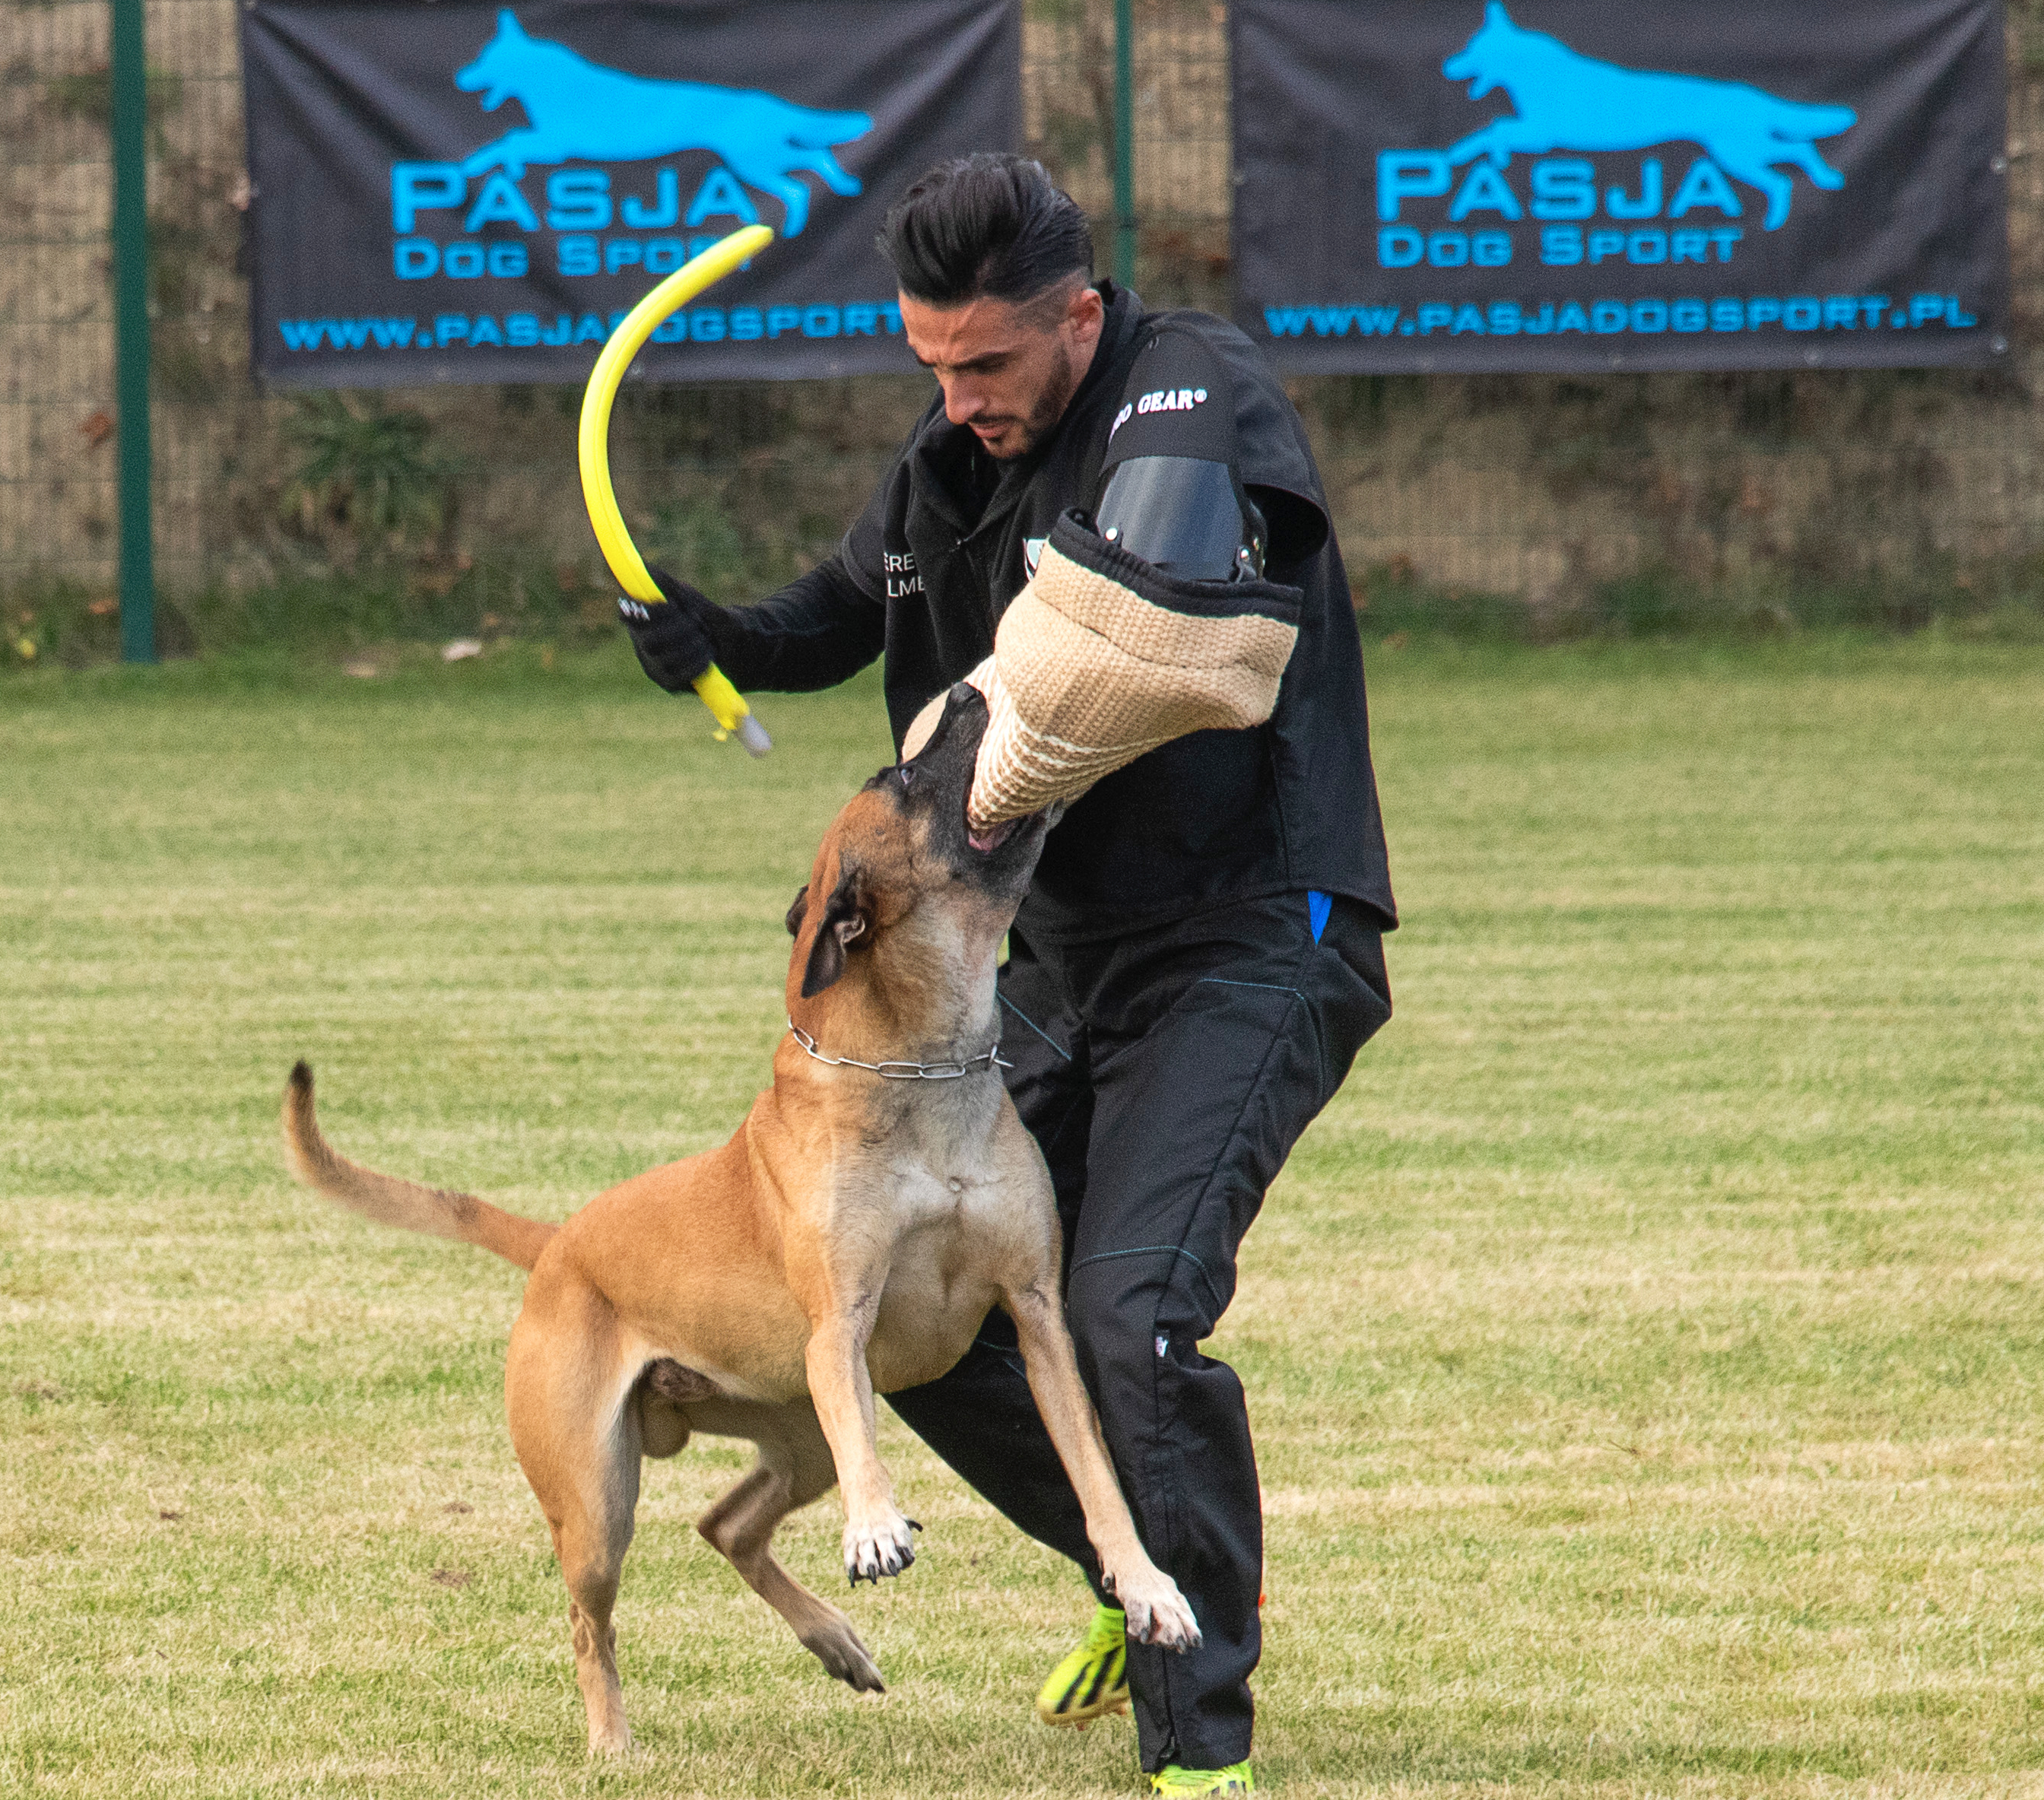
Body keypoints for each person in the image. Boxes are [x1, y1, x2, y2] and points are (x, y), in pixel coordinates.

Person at [620, 153, 1392, 1798]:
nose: (959, 395)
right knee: (923, 1317)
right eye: (931, 363)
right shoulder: (951, 455)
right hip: (1047, 959)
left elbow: (1151, 604)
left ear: (1080, 318)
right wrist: (723, 634)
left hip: (1254, 934)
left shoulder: (1190, 389)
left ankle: (1202, 1742)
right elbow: (850, 602)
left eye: (986, 361)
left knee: (1131, 1306)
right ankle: (1146, 1566)